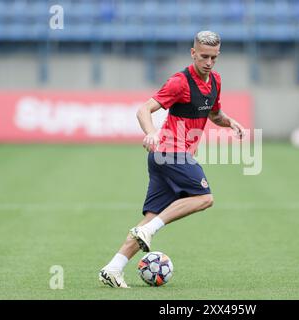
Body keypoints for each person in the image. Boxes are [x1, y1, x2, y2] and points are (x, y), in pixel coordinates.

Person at [98, 31, 245, 288]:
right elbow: (144, 109)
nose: (209, 62)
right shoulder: (179, 82)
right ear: (193, 53)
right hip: (168, 151)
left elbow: (215, 114)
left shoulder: (215, 81)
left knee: (150, 217)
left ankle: (113, 268)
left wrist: (230, 122)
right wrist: (151, 132)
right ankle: (150, 231)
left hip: (167, 157)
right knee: (204, 198)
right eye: (203, 56)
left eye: (213, 57)